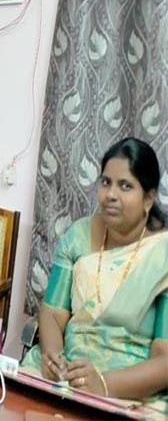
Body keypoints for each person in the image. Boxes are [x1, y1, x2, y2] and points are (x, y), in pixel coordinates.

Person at [22, 138, 168, 400]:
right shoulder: (77, 236)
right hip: (67, 378)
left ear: (148, 198)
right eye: (106, 182)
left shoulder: (162, 255)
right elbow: (52, 313)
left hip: (128, 391)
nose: (111, 194)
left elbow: (164, 359)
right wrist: (52, 357)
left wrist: (104, 384)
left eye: (125, 186)